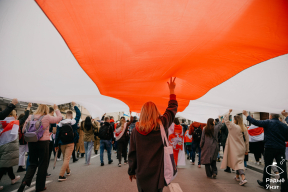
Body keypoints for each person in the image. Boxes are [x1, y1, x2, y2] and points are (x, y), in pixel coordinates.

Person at [128, 77, 178, 192]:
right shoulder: (162, 125)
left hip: (141, 173)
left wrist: (131, 171)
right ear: (156, 112)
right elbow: (172, 109)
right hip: (158, 174)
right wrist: (171, 90)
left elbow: (132, 153)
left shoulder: (135, 131)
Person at [17, 104, 62, 192]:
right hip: (43, 143)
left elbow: (23, 130)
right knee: (42, 164)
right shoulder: (47, 117)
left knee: (32, 163)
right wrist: (56, 109)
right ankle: (40, 186)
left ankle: (24, 182)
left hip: (31, 142)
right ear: (46, 109)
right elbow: (59, 118)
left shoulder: (30, 116)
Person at [244, 110, 288, 192]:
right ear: (279, 117)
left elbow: (255, 122)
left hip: (269, 148)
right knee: (282, 168)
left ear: (270, 116)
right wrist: (287, 116)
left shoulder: (268, 122)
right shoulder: (283, 125)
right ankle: (284, 188)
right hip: (280, 149)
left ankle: (266, 184)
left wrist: (247, 115)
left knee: (267, 166)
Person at [0, 103, 31, 191]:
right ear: (13, 115)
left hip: (1, 144)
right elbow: (24, 118)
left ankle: (13, 178)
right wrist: (28, 108)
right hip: (9, 146)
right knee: (4, 165)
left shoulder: (1, 121)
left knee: (6, 163)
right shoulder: (14, 122)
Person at [220, 110, 249, 186]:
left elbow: (226, 120)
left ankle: (243, 178)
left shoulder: (233, 126)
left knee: (238, 163)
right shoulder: (244, 129)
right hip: (242, 148)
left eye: (233, 119)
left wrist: (229, 112)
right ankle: (237, 177)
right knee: (239, 162)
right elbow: (247, 141)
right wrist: (247, 150)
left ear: (235, 120)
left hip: (234, 149)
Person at [54, 102, 80, 182]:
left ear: (65, 116)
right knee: (67, 159)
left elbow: (57, 135)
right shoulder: (74, 122)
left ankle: (68, 171)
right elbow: (79, 114)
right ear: (71, 116)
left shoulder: (60, 123)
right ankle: (61, 175)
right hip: (71, 142)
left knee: (65, 158)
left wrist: (56, 145)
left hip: (62, 143)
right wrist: (74, 105)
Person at [17, 104, 32, 173]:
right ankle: (21, 166)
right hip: (23, 141)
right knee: (23, 153)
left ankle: (22, 166)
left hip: (21, 141)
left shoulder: (18, 125)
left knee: (23, 153)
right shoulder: (22, 126)